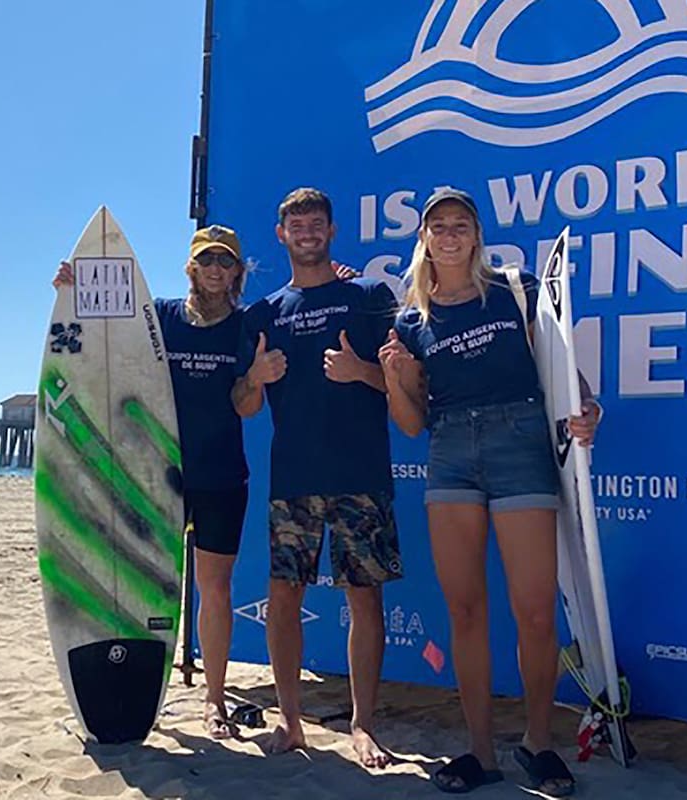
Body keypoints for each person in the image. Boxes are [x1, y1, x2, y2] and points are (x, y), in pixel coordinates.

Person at [378, 186, 601, 795]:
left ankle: (538, 742)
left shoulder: (515, 289)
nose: (449, 234)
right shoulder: (411, 319)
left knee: (533, 609)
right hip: (450, 452)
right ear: (423, 237)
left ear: (477, 235)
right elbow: (412, 421)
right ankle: (480, 750)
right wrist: (395, 380)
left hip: (520, 441)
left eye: (461, 225)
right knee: (466, 611)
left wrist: (587, 406)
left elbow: (564, 368)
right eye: (438, 225)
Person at [54, 224, 253, 740]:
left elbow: (247, 406)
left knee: (215, 589)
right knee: (147, 588)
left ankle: (214, 701)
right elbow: (103, 339)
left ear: (235, 272)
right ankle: (141, 692)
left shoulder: (244, 328)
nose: (214, 269)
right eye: (206, 260)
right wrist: (71, 292)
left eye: (224, 261)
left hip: (222, 476)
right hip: (156, 479)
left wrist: (254, 381)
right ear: (191, 267)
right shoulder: (158, 317)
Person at [232, 187, 400, 768]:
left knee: (365, 598)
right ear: (281, 235)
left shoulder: (370, 295)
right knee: (283, 598)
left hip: (361, 474)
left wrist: (362, 371)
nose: (306, 230)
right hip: (294, 479)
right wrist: (254, 377)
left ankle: (363, 725)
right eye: (295, 223)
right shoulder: (263, 313)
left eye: (316, 222)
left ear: (331, 230)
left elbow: (406, 385)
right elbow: (245, 406)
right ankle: (291, 721)